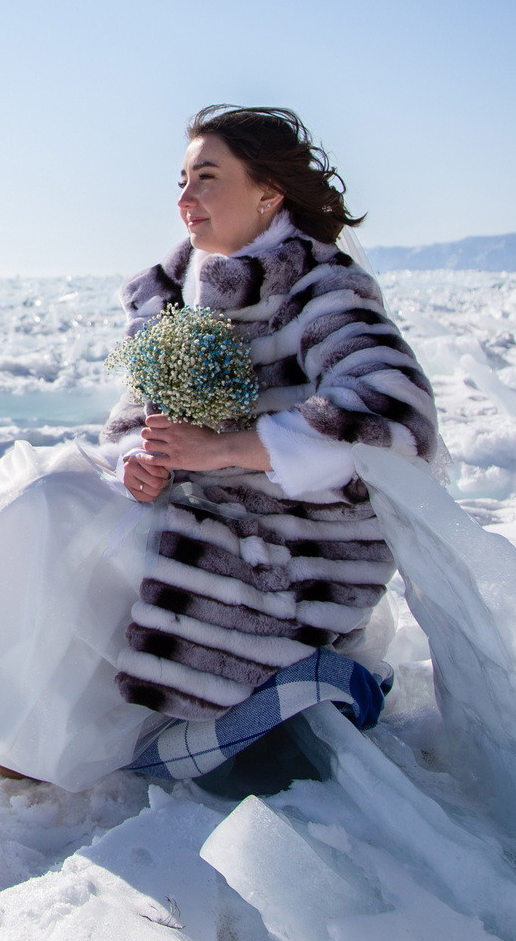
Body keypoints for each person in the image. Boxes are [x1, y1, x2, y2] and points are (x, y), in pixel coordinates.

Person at [102, 105, 439, 793]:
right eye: (182, 179)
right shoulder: (169, 296)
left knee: (76, 545)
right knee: (52, 503)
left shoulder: (317, 288)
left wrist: (226, 448)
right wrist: (139, 464)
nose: (185, 198)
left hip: (291, 554)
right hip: (197, 514)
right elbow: (131, 424)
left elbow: (397, 413)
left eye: (207, 177)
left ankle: (320, 681)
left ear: (268, 192)